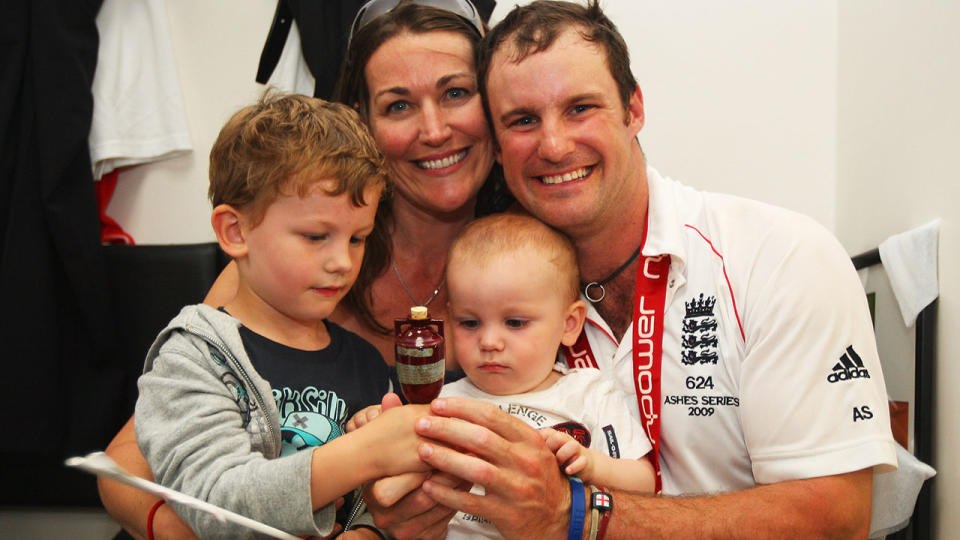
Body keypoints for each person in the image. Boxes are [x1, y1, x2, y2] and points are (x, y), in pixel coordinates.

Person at [364, 2, 898, 539]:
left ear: (634, 108)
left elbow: (836, 516)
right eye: (523, 120)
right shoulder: (494, 288)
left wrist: (575, 515)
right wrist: (402, 510)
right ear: (499, 148)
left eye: (580, 108)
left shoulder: (779, 258)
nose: (554, 145)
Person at [98, 1, 501, 537]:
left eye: (456, 93)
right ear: (364, 119)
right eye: (398, 105)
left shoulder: (534, 260)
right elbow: (130, 459)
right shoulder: (250, 300)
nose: (433, 129)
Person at [132, 92, 432, 539]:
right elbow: (214, 503)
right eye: (315, 236)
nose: (342, 262)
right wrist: (365, 452)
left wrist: (370, 531)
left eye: (357, 238)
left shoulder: (366, 364)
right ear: (235, 232)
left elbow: (384, 507)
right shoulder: (192, 358)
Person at [440, 213, 655, 538]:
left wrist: (592, 465)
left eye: (515, 323)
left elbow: (645, 482)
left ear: (569, 324)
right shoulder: (445, 403)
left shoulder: (589, 393)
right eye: (470, 323)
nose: (489, 342)